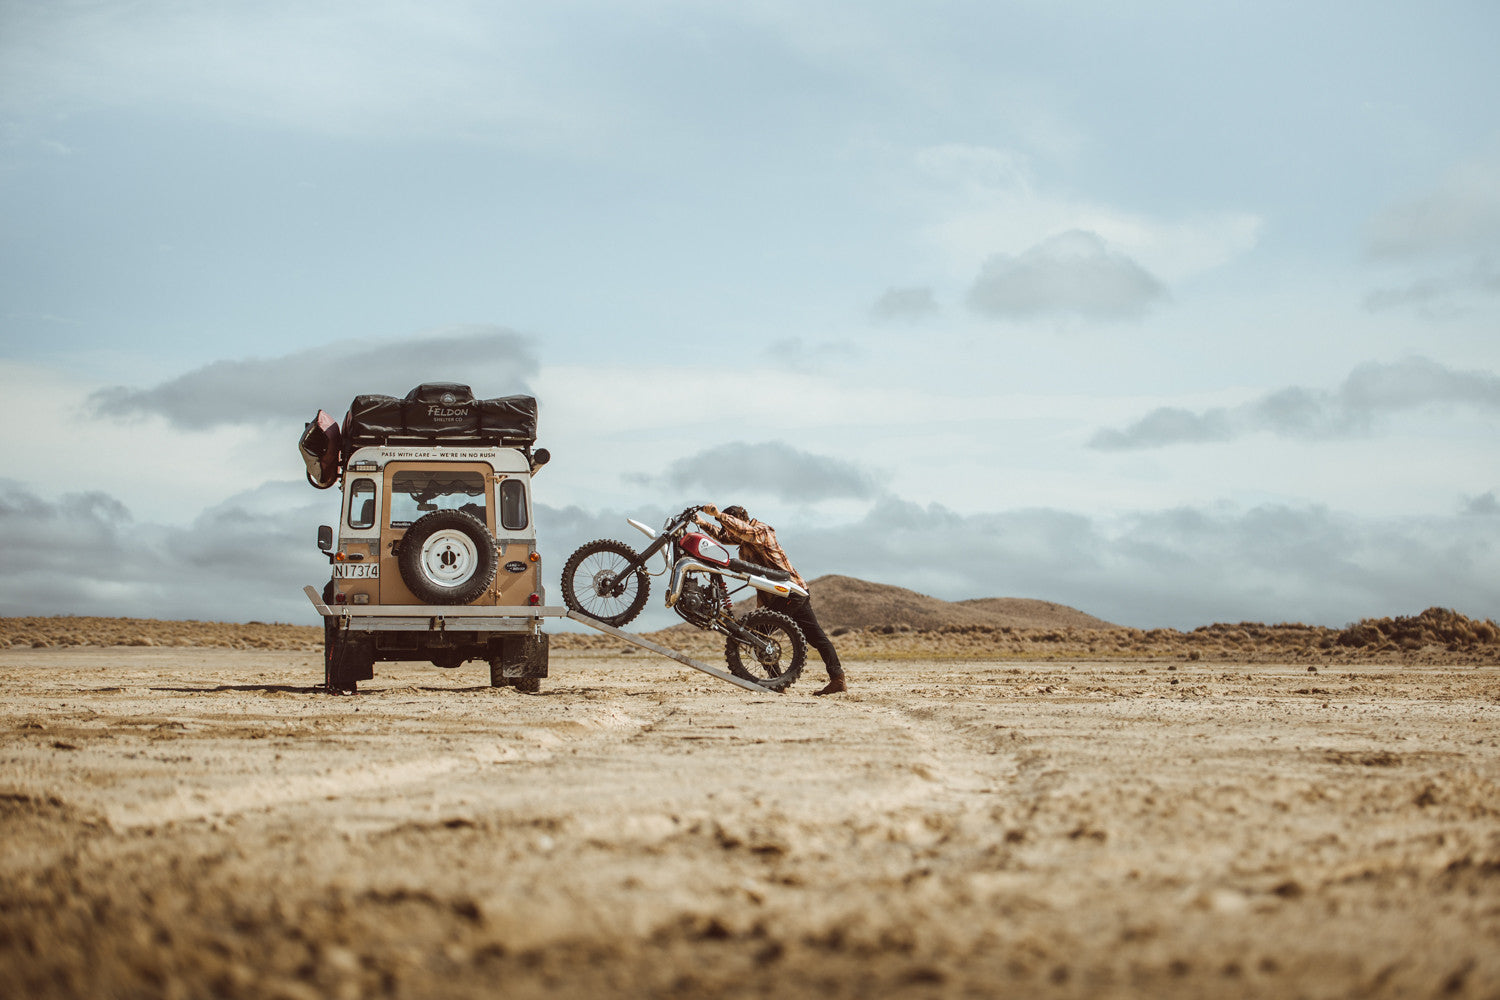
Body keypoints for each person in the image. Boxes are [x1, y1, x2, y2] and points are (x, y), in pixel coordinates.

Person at [695, 503, 847, 695]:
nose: (730, 531)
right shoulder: (744, 538)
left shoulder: (762, 531)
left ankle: (779, 683)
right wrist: (702, 522)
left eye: (731, 524)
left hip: (790, 591)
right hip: (786, 593)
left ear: (739, 519)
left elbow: (744, 531)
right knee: (815, 637)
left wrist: (717, 515)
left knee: (757, 637)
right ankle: (836, 679)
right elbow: (725, 537)